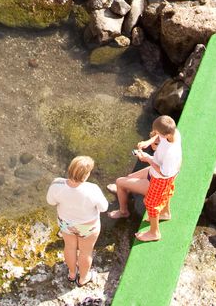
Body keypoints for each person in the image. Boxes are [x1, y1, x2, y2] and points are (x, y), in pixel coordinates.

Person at [107, 115, 181, 242]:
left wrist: (147, 159)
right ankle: (165, 213)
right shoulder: (174, 132)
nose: (155, 135)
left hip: (160, 179)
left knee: (151, 203)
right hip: (158, 172)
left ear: (166, 134)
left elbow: (164, 173)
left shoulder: (170, 153)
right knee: (129, 178)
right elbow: (159, 136)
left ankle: (153, 232)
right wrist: (149, 142)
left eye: (157, 133)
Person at [47, 156, 108, 286]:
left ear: (70, 169)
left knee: (69, 247)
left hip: (66, 224)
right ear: (86, 175)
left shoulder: (56, 184)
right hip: (88, 226)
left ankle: (72, 274)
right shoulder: (93, 189)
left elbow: (50, 201)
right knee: (86, 252)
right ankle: (83, 278)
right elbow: (104, 208)